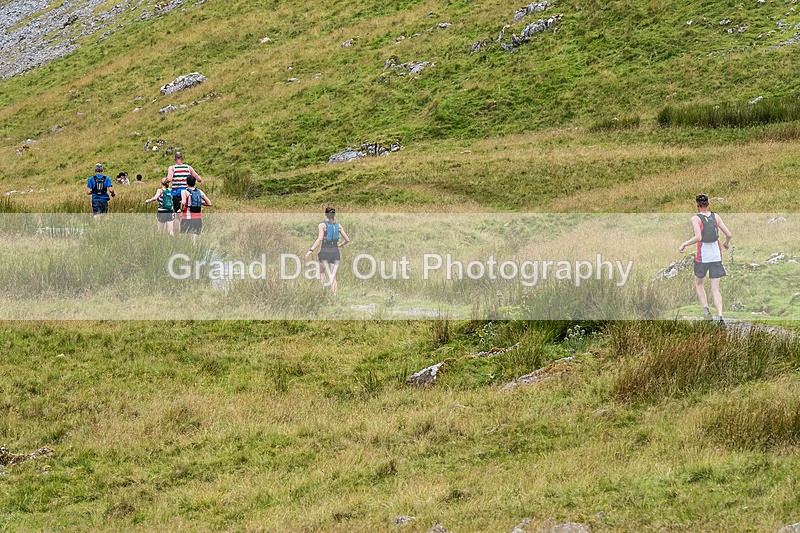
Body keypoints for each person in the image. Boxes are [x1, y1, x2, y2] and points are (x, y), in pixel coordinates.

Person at [679, 194, 733, 322]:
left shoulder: (696, 218)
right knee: (715, 288)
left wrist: (684, 244)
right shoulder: (716, 217)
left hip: (703, 256)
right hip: (716, 255)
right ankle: (720, 316)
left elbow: (698, 237)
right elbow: (729, 234)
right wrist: (726, 243)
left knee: (699, 283)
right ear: (708, 204)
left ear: (697, 205)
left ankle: (706, 310)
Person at [304, 206, 351, 296]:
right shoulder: (339, 226)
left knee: (322, 272)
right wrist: (340, 245)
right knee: (333, 276)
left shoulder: (322, 225)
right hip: (335, 252)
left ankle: (323, 291)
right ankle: (334, 295)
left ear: (326, 214)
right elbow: (347, 240)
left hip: (325, 251)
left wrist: (310, 250)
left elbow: (320, 239)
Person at [163, 152, 202, 216]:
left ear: (174, 159)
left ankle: (177, 226)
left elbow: (169, 179)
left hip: (176, 194)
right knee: (187, 213)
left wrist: (164, 181)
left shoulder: (172, 168)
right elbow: (199, 179)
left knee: (177, 214)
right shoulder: (188, 167)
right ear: (182, 158)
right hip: (187, 193)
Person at [179, 175, 211, 244]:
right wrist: (200, 202)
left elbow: (184, 202)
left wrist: (181, 210)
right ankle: (194, 251)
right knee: (194, 241)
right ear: (195, 182)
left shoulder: (184, 191)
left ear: (186, 182)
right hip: (198, 218)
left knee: (183, 238)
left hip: (187, 217)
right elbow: (209, 203)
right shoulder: (200, 192)